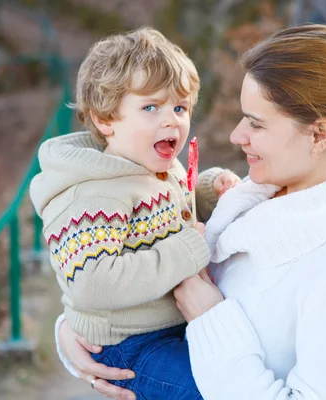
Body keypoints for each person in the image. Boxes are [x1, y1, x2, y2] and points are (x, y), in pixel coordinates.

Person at [55, 24, 326, 400]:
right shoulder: (263, 194)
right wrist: (75, 334)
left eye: (256, 124)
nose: (236, 136)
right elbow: (116, 264)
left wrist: (210, 318)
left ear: (319, 134)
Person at [29, 27, 240, 400]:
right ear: (105, 119)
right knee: (208, 389)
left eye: (179, 107)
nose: (171, 119)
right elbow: (93, 283)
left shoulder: (158, 164)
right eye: (150, 107)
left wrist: (207, 192)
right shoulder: (92, 194)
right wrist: (187, 251)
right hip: (129, 345)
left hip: (170, 324)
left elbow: (176, 215)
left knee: (233, 370)